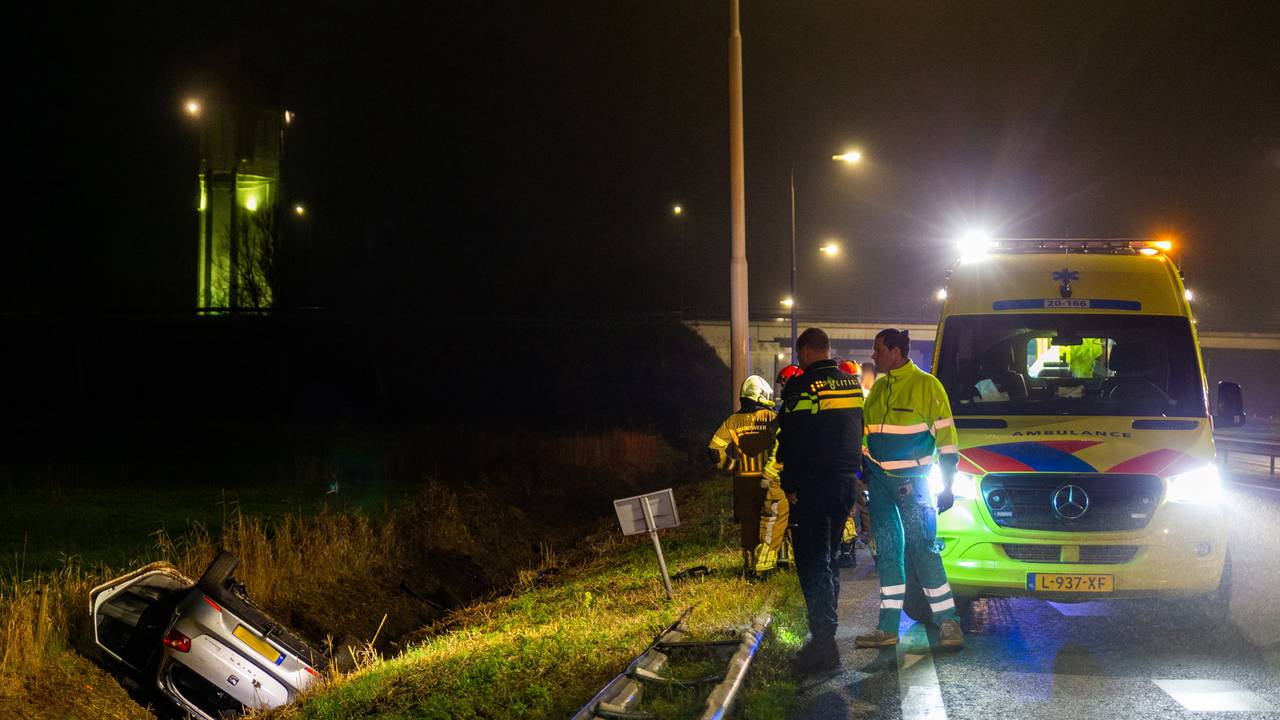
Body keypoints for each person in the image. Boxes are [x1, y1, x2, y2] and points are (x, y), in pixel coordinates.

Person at [856, 328, 965, 650]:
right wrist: (866, 470)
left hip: (914, 484)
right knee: (888, 553)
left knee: (923, 549)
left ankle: (949, 623)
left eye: (878, 350)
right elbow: (866, 435)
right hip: (880, 485)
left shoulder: (927, 386)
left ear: (894, 351)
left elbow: (946, 440)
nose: (874, 356)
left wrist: (947, 485)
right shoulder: (877, 390)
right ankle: (887, 627)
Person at [775, 328, 864, 674]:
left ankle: (824, 646)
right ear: (827, 348)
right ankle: (827, 638)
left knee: (813, 563)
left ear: (806, 352)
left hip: (813, 486)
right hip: (845, 486)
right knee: (828, 559)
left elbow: (794, 439)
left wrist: (790, 483)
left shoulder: (802, 386)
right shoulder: (852, 385)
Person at [708, 375, 779, 576]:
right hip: (768, 479)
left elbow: (714, 450)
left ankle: (748, 565)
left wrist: (731, 465)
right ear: (761, 395)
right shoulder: (772, 417)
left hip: (743, 481)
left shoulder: (732, 421)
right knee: (771, 520)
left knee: (748, 522)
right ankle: (772, 562)